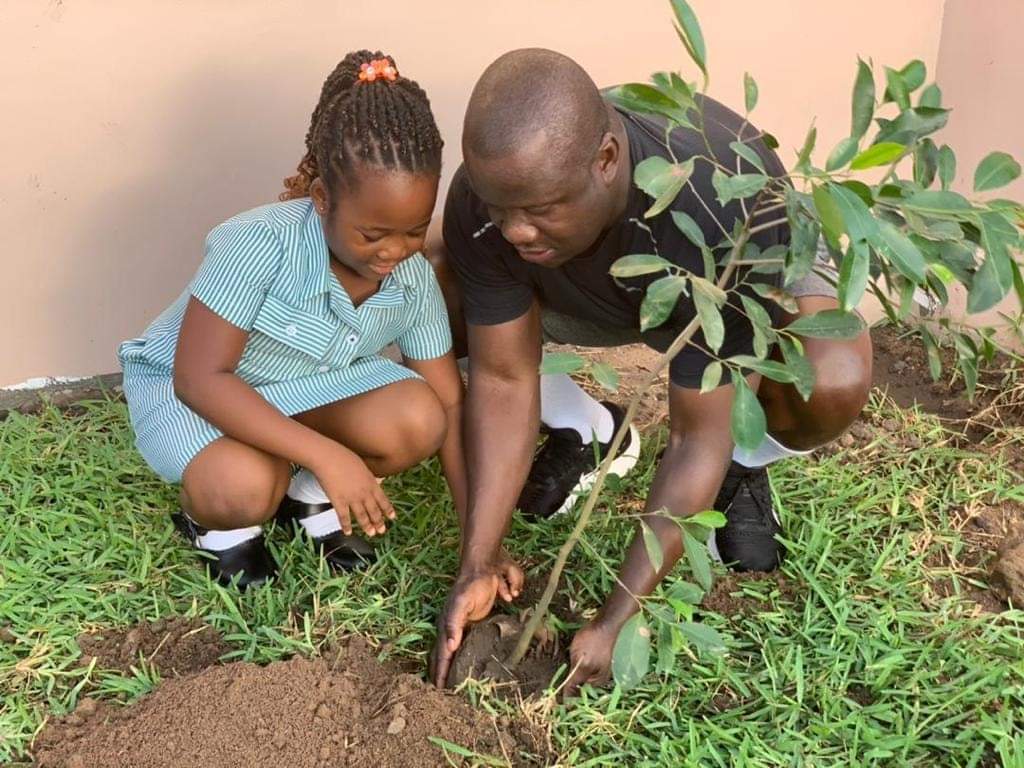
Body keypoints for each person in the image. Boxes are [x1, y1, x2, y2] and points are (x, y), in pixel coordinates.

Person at [429, 49, 871, 693]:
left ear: (606, 159)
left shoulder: (725, 216)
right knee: (431, 284)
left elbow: (694, 436)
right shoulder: (495, 199)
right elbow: (502, 377)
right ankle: (587, 425)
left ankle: (743, 464)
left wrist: (615, 621)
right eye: (500, 208)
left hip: (720, 264)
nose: (515, 231)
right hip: (595, 279)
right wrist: (479, 560)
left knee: (829, 380)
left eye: (538, 208)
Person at [117, 51, 471, 589]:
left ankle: (309, 496)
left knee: (421, 417)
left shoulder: (411, 278)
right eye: (372, 235)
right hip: (195, 389)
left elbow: (448, 398)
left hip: (307, 389)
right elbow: (199, 379)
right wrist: (329, 454)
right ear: (323, 198)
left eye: (414, 230)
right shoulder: (257, 244)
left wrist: (477, 541)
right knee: (244, 487)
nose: (393, 251)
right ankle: (217, 527)